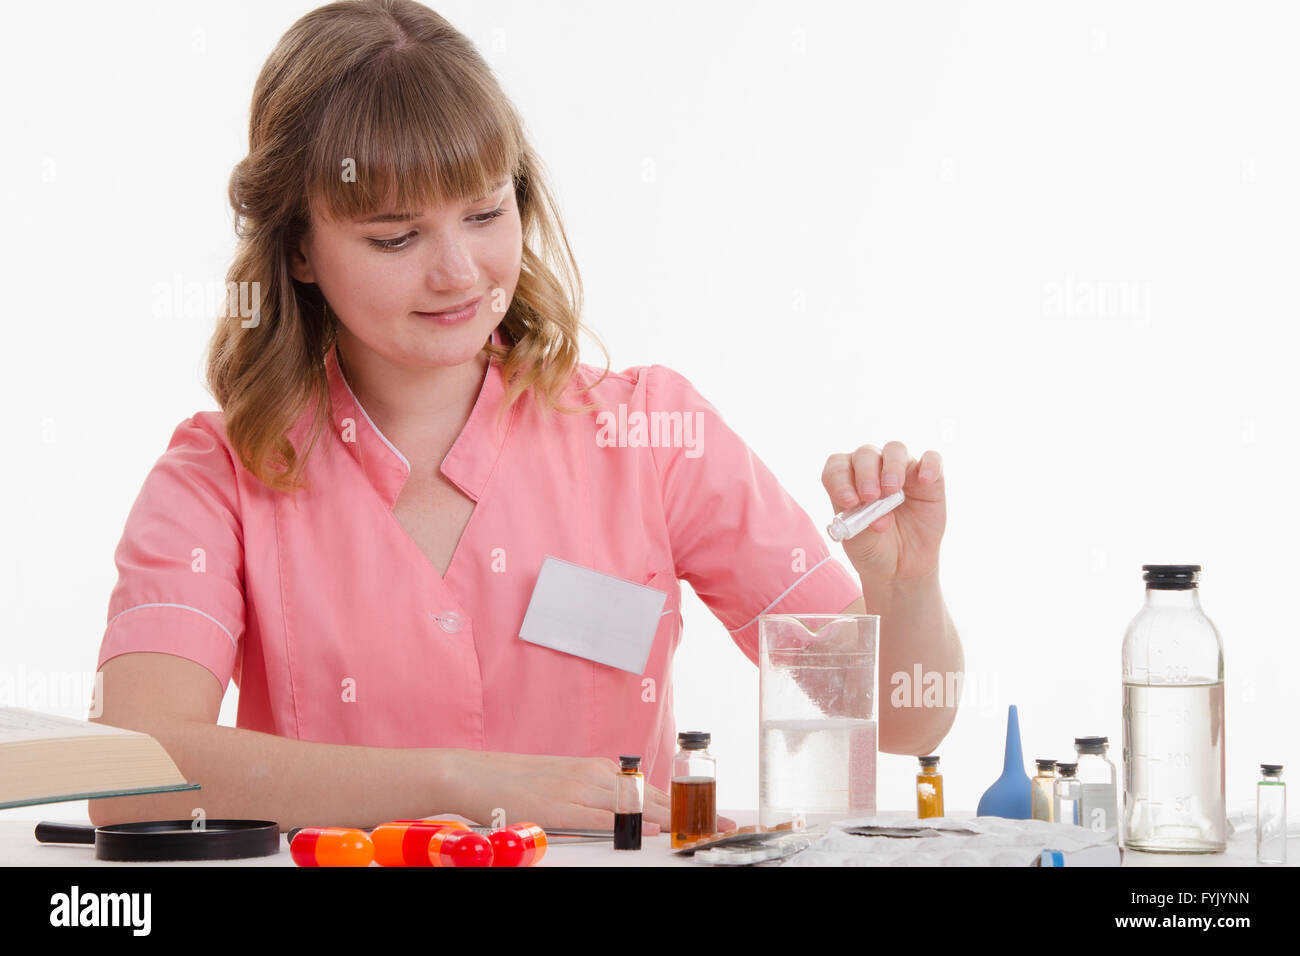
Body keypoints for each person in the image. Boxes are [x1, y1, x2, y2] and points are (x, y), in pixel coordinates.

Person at [90, 0, 963, 835]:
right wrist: (459, 785)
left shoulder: (651, 434)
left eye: (484, 213)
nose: (460, 273)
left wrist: (905, 589)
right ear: (298, 251)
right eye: (395, 238)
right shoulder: (217, 477)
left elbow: (902, 726)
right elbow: (129, 771)